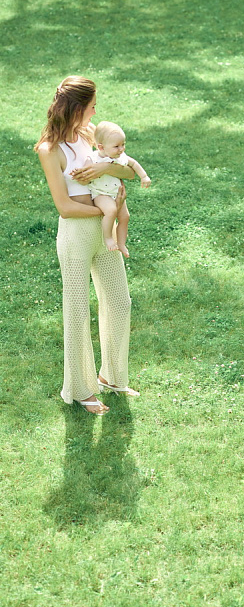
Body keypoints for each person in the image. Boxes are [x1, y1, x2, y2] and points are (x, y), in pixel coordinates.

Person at [35, 76, 139, 414]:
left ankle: (112, 377)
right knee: (77, 313)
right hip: (77, 235)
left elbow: (128, 172)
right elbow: (64, 207)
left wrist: (100, 168)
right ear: (76, 108)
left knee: (120, 303)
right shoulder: (49, 150)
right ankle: (80, 390)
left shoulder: (90, 133)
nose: (95, 111)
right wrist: (106, 210)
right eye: (92, 106)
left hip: (104, 232)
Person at [85, 121, 151, 258]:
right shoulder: (93, 158)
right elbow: (85, 172)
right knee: (111, 211)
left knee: (125, 217)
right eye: (116, 146)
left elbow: (134, 164)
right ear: (101, 147)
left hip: (116, 193)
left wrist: (144, 176)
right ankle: (108, 238)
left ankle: (121, 243)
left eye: (123, 144)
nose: (121, 149)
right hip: (101, 194)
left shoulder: (120, 157)